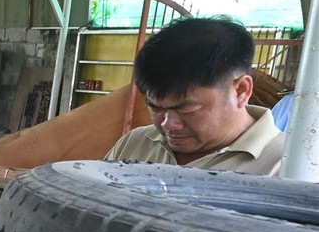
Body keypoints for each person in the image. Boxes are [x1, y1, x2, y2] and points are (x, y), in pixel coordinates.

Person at [105, 16, 285, 174]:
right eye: (155, 107)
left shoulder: (288, 166)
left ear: (241, 90)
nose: (168, 124)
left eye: (188, 109)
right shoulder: (134, 143)